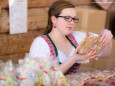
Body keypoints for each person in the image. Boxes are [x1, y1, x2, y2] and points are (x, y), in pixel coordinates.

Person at [29, 0, 113, 75]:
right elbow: (42, 78)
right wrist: (74, 58)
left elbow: (105, 53)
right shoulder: (40, 43)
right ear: (54, 19)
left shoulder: (77, 37)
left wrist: (106, 35)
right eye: (67, 18)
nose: (72, 22)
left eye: (73, 19)